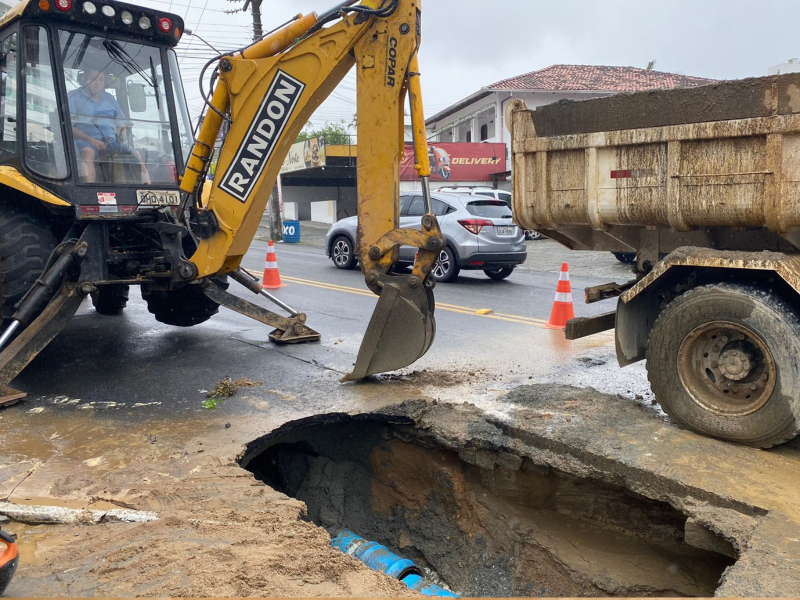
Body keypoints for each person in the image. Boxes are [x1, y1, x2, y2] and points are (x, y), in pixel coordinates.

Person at [68, 67, 150, 184]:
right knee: (87, 153)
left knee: (136, 155)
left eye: (101, 80)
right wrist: (92, 140)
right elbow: (69, 126)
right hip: (85, 141)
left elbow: (121, 124)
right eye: (93, 79)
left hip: (110, 141)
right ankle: (88, 191)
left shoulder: (110, 99)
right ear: (85, 80)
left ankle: (148, 192)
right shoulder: (74, 97)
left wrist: (122, 136)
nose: (97, 83)